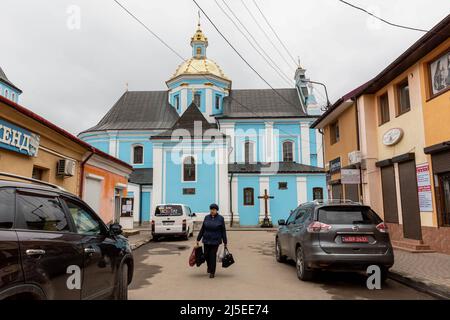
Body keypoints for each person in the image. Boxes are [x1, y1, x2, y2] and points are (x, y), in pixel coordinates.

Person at [196, 203, 228, 278]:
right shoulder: (206, 217)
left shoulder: (220, 218)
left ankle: (212, 272)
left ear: (216, 210)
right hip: (206, 240)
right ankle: (209, 267)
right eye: (211, 209)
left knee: (212, 255)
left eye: (214, 209)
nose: (212, 211)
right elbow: (203, 229)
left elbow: (223, 230)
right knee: (206, 255)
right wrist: (198, 239)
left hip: (215, 241)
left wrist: (225, 241)